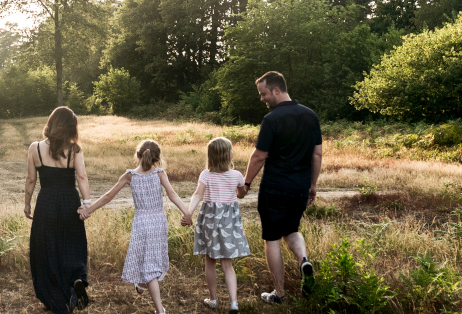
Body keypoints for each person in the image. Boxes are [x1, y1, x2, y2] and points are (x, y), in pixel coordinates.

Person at [78, 139, 192, 314]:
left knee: (147, 263)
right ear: (156, 158)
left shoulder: (130, 176)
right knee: (151, 266)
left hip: (141, 224)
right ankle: (160, 309)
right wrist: (187, 213)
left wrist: (89, 210)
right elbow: (173, 195)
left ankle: (145, 288)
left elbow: (108, 197)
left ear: (137, 155)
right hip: (158, 223)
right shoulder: (160, 173)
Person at [238, 71, 323, 304]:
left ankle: (279, 293)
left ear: (276, 90)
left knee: (273, 238)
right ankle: (304, 260)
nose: (262, 99)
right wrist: (312, 185)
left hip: (275, 187)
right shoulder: (310, 116)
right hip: (300, 187)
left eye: (263, 94)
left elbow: (259, 156)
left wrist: (245, 184)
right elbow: (317, 153)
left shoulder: (272, 120)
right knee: (291, 229)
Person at [24, 106, 95, 313]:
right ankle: (76, 279)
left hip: (46, 202)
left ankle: (51, 297)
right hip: (69, 202)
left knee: (46, 249)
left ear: (52, 123)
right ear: (71, 127)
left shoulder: (35, 148)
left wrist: (27, 203)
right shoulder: (74, 150)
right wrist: (87, 203)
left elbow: (30, 179)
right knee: (71, 245)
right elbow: (82, 177)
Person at [191, 137, 251, 313]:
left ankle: (214, 300)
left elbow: (197, 195)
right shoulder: (237, 175)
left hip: (210, 222)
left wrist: (188, 212)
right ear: (228, 154)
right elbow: (242, 193)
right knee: (227, 264)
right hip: (228, 224)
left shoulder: (206, 175)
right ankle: (233, 303)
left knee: (210, 260)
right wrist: (242, 187)